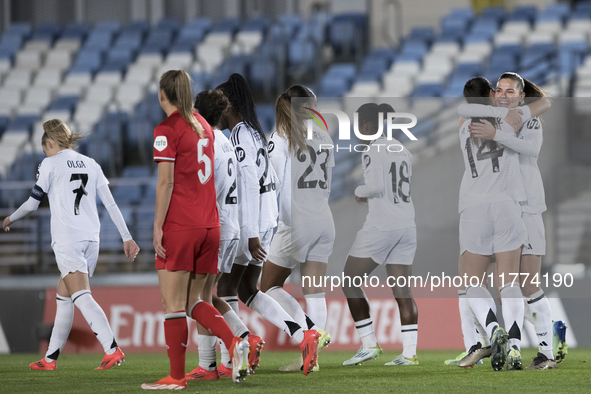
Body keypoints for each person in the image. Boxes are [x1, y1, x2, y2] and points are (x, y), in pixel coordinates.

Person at [2, 119, 139, 371]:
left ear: (50, 143)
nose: (46, 153)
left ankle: (112, 349)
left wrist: (9, 218)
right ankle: (50, 359)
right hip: (92, 239)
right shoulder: (91, 163)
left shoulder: (50, 164)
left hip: (68, 238)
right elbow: (110, 203)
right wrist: (126, 236)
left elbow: (32, 204)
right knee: (64, 297)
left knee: (82, 296)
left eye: (45, 148)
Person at [141, 70, 249, 390]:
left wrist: (158, 226)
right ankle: (234, 342)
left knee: (173, 305)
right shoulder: (203, 125)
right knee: (195, 301)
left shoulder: (167, 128)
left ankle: (176, 378)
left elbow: (166, 181)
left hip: (182, 224)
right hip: (210, 225)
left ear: (163, 95)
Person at [458, 72, 565, 370]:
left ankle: (545, 351)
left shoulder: (526, 120)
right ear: (493, 94)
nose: (504, 94)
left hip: (526, 207)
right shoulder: (490, 118)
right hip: (501, 208)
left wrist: (499, 134)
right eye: (500, 90)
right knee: (488, 281)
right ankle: (496, 345)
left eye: (510, 91)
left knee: (528, 283)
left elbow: (531, 149)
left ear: (520, 95)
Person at [215, 74, 320, 376]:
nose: (218, 110)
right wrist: (269, 223)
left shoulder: (239, 136)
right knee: (249, 289)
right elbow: (269, 181)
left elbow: (248, 183)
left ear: (230, 105)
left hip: (249, 225)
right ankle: (303, 334)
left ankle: (234, 355)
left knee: (223, 289)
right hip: (265, 220)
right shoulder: (257, 133)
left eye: (221, 104)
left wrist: (250, 233)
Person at [188, 89, 264, 380]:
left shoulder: (205, 142)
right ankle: (244, 338)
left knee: (196, 299)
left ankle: (211, 362)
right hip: (231, 226)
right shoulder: (227, 142)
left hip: (214, 226)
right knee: (205, 296)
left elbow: (208, 187)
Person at [456, 76, 529, 371]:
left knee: (472, 282)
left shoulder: (462, 125)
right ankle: (513, 347)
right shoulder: (509, 120)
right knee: (509, 282)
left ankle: (491, 327)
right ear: (491, 94)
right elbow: (535, 107)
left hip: (474, 209)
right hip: (506, 206)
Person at [259, 85, 334, 371]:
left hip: (295, 221)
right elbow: (327, 181)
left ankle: (307, 333)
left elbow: (270, 185)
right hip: (323, 218)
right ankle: (312, 357)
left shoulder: (280, 138)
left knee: (267, 287)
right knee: (314, 290)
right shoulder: (323, 136)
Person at [340, 103, 419, 367]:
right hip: (407, 223)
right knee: (403, 291)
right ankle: (409, 354)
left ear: (365, 125)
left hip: (382, 225)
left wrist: (359, 193)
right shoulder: (402, 149)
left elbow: (374, 186)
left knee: (349, 279)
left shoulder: (372, 149)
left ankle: (369, 344)